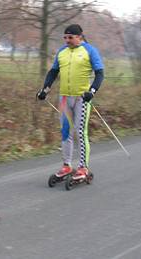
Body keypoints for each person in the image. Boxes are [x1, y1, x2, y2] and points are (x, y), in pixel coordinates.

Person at [36, 24, 104, 181]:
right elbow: (53, 72)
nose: (67, 40)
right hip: (65, 98)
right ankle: (67, 165)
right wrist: (45, 89)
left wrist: (92, 91)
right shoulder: (62, 52)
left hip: (82, 98)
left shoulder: (90, 51)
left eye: (70, 37)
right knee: (66, 132)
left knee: (80, 133)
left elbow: (100, 73)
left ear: (79, 37)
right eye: (65, 37)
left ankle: (83, 168)